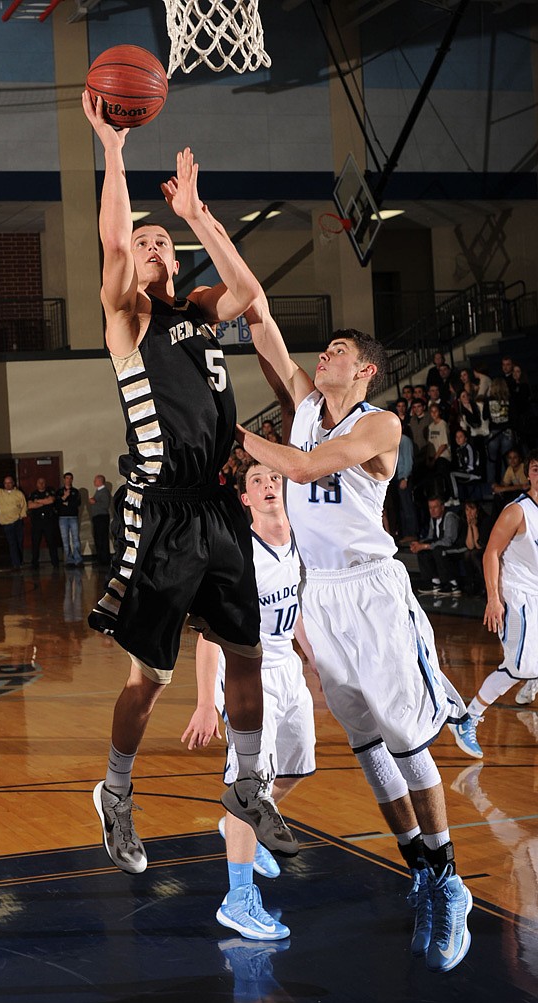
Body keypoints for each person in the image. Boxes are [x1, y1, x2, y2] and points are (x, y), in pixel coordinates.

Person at [81, 91, 297, 884]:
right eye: (140, 240)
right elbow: (111, 244)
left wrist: (199, 218)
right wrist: (112, 150)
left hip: (217, 504)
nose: (145, 244)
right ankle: (116, 788)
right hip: (161, 510)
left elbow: (248, 294)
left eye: (157, 240)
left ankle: (248, 782)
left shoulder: (201, 308)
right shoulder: (127, 317)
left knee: (247, 653)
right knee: (154, 676)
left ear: (173, 260)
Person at [237, 293, 473, 973]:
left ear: (366, 370)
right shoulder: (308, 406)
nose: (325, 356)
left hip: (373, 591)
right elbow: (262, 323)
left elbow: (307, 467)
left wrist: (236, 432)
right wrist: (206, 226)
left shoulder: (382, 424)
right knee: (366, 739)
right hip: (325, 595)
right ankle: (420, 872)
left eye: (340, 351)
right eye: (326, 350)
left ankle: (450, 878)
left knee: (403, 740)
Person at [182, 460, 316, 941]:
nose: (266, 485)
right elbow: (208, 637)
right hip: (246, 674)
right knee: (248, 786)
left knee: (298, 769)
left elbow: (292, 606)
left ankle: (241, 820)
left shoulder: (299, 539)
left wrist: (313, 657)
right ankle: (237, 900)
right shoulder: (239, 555)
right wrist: (204, 703)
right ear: (244, 499)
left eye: (273, 478)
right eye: (256, 481)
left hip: (289, 672)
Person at [449, 450, 538, 759]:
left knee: (528, 664)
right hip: (517, 596)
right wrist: (493, 598)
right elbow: (490, 553)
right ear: (528, 472)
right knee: (519, 665)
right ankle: (467, 719)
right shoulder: (518, 511)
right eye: (536, 468)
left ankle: (532, 678)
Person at [410, 496, 461, 596]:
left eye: (435, 507)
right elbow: (431, 536)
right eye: (430, 508)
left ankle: (453, 584)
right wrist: (419, 544)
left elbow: (449, 541)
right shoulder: (433, 519)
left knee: (438, 551)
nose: (432, 511)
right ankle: (435, 582)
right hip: (441, 545)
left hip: (456, 546)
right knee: (423, 551)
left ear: (442, 507)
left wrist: (425, 546)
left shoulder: (449, 517)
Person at [459, 500, 491, 596]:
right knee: (467, 554)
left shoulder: (485, 520)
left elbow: (479, 545)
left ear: (477, 510)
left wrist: (475, 526)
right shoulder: (464, 521)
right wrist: (470, 526)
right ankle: (472, 584)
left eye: (472, 509)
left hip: (486, 548)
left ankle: (484, 585)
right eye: (467, 510)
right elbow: (470, 545)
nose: (469, 513)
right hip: (475, 550)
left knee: (474, 554)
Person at [27, 476, 59, 569]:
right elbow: (30, 505)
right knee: (35, 543)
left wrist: (37, 502)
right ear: (36, 484)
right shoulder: (33, 494)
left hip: (48, 521)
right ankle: (34, 563)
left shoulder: (50, 492)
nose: (41, 484)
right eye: (39, 483)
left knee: (51, 542)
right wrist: (43, 502)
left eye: (43, 482)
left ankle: (55, 562)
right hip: (37, 522)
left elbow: (51, 500)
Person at [55, 472, 83, 567]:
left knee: (75, 539)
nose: (68, 480)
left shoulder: (75, 491)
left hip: (73, 517)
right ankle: (69, 560)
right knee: (65, 540)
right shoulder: (59, 492)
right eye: (67, 478)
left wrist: (66, 503)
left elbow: (77, 503)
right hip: (62, 518)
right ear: (64, 479)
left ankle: (78, 559)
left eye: (70, 478)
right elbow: (57, 504)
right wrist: (65, 497)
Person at [449, 428, 481, 502]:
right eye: (457, 437)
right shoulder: (458, 449)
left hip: (472, 473)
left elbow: (471, 466)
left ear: (466, 438)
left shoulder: (468, 448)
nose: (458, 439)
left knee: (452, 474)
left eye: (460, 436)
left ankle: (455, 497)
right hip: (464, 472)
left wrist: (462, 471)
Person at [89, 474, 112, 566]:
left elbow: (105, 505)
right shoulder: (99, 491)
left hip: (101, 517)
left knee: (102, 538)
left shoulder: (104, 491)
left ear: (100, 481)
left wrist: (95, 502)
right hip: (97, 517)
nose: (94, 482)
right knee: (98, 538)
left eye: (95, 480)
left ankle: (104, 559)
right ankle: (100, 559)